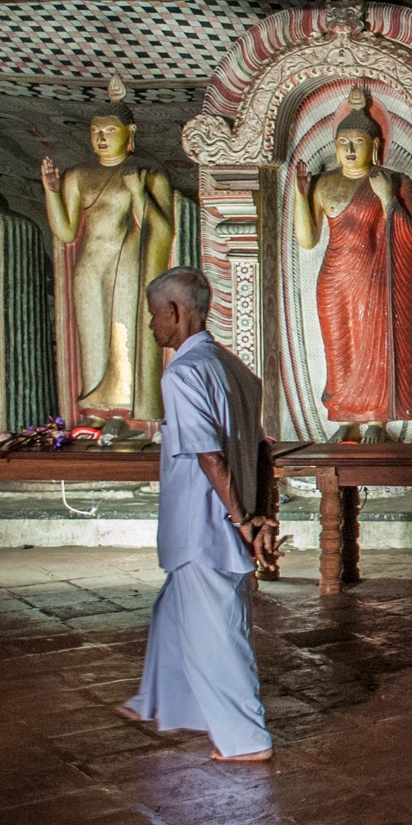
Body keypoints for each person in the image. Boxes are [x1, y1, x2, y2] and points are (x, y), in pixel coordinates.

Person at [120, 267, 278, 763]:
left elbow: (211, 456)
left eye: (153, 316)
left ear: (175, 312)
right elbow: (261, 452)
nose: (151, 327)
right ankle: (160, 700)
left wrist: (240, 519)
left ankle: (245, 738)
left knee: (218, 635)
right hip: (225, 520)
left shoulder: (183, 373)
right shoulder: (234, 368)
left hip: (204, 526)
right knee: (173, 612)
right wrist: (260, 514)